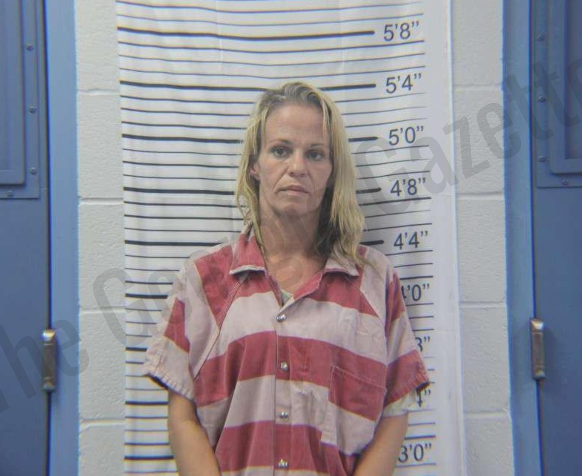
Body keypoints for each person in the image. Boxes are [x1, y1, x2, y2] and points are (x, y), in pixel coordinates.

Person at [144, 82, 430, 476]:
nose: (297, 167)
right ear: (255, 164)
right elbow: (183, 416)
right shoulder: (202, 280)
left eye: (315, 154)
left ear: (332, 172)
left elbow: (395, 412)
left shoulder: (375, 281)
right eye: (280, 150)